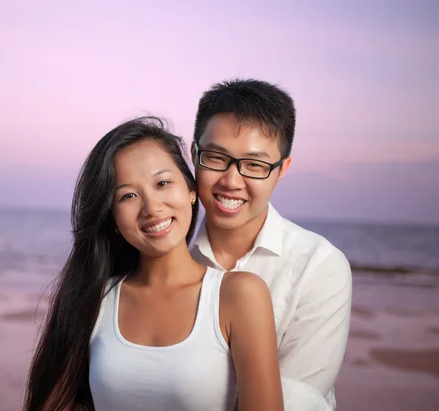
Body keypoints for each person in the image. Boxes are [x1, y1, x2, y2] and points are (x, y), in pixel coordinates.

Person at [25, 116, 284, 411]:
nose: (151, 207)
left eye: (162, 183)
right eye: (128, 195)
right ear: (112, 217)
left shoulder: (239, 294)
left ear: (190, 191)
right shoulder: (93, 299)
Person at [189, 79, 352, 410]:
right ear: (194, 155)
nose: (232, 181)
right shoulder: (166, 259)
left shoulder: (319, 267)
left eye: (255, 165)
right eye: (216, 157)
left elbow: (297, 399)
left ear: (282, 170)